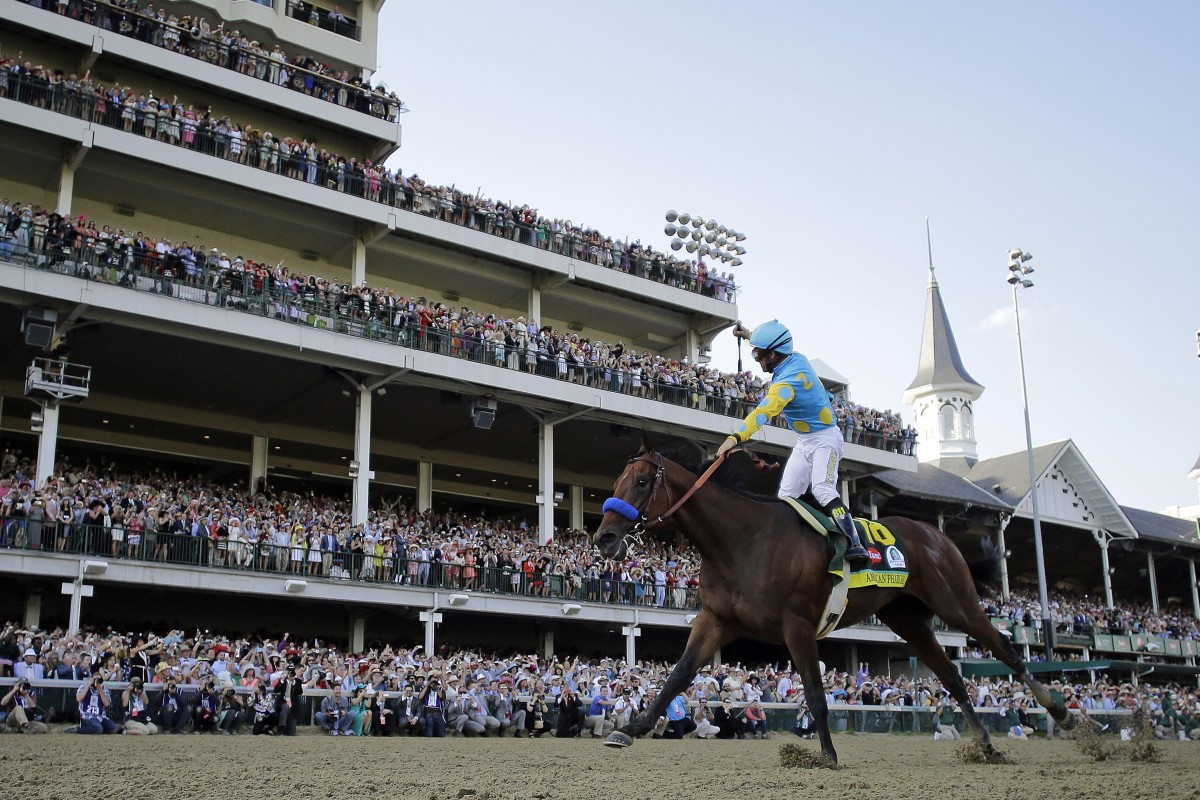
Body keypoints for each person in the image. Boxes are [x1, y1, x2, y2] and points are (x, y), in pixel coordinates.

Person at [717, 319, 869, 563]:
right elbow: (770, 342)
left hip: (826, 440)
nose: (758, 360)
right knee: (786, 496)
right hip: (805, 441)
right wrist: (748, 335)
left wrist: (735, 438)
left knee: (822, 488)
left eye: (759, 356)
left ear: (773, 355)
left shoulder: (787, 383)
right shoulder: (794, 357)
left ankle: (855, 542)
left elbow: (762, 413)